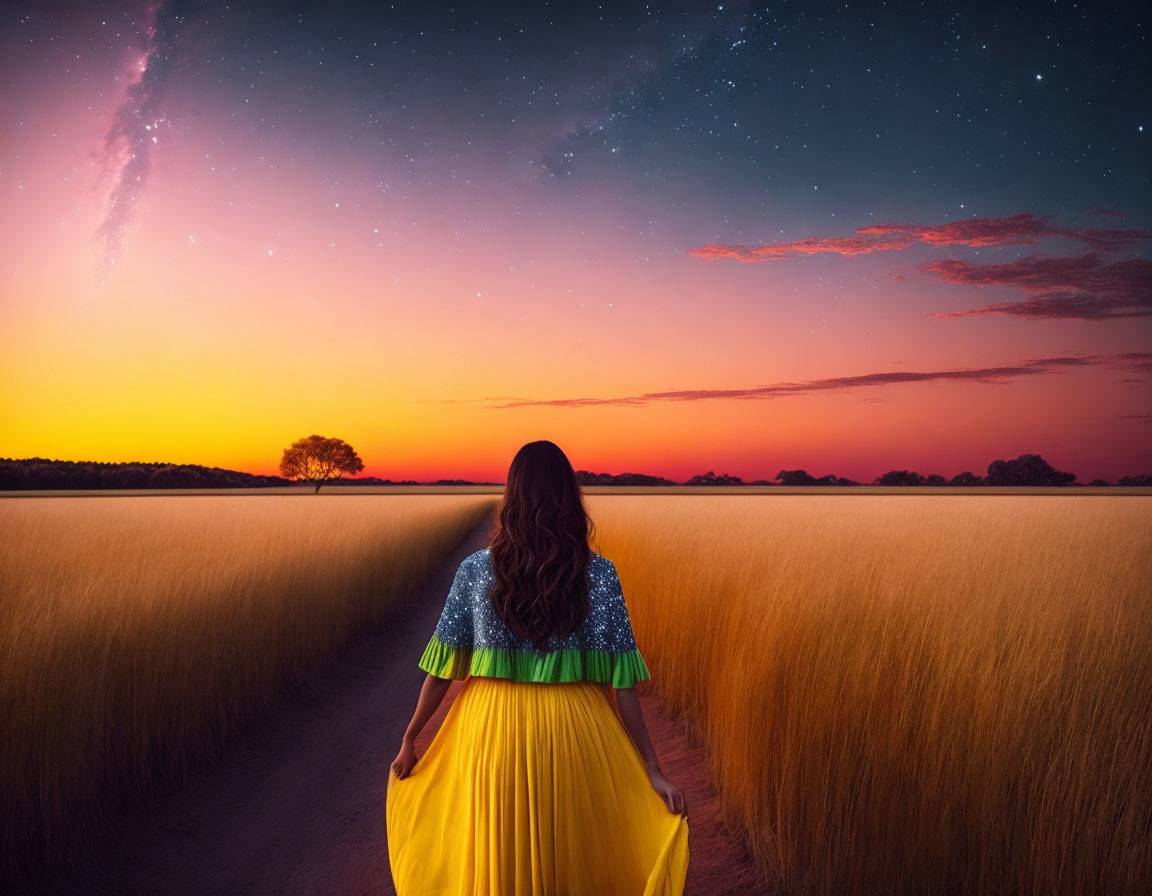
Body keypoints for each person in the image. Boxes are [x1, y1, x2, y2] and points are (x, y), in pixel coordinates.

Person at [386, 440, 690, 894]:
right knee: (570, 862)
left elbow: (440, 674)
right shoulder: (601, 574)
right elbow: (623, 687)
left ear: (512, 497)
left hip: (490, 737)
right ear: (570, 497)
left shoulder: (475, 570)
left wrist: (411, 738)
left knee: (497, 860)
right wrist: (652, 768)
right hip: (579, 737)